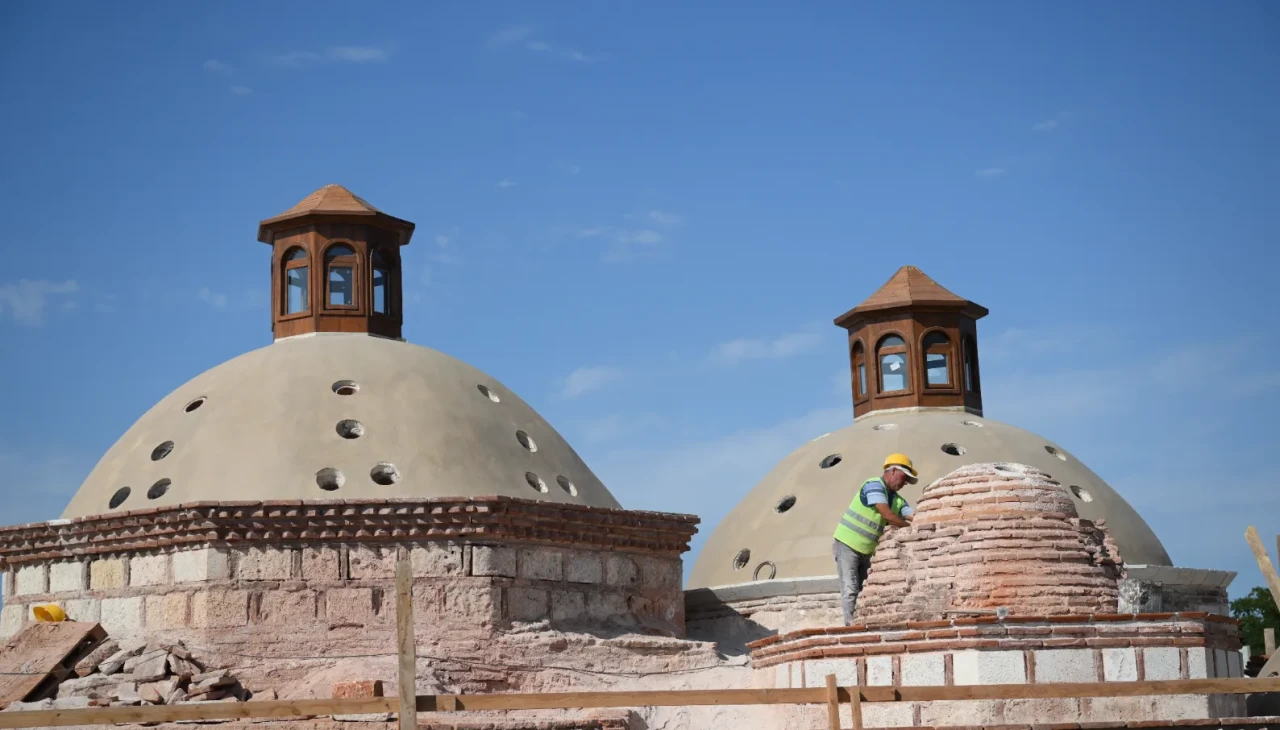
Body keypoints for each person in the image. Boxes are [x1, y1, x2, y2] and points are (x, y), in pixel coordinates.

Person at [832, 453, 918, 625]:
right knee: (850, 588)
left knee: (865, 591)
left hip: (867, 551)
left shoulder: (897, 500)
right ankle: (851, 628)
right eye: (905, 477)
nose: (906, 483)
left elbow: (914, 516)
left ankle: (863, 624)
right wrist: (910, 528)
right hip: (847, 546)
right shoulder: (873, 485)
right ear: (893, 471)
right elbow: (887, 515)